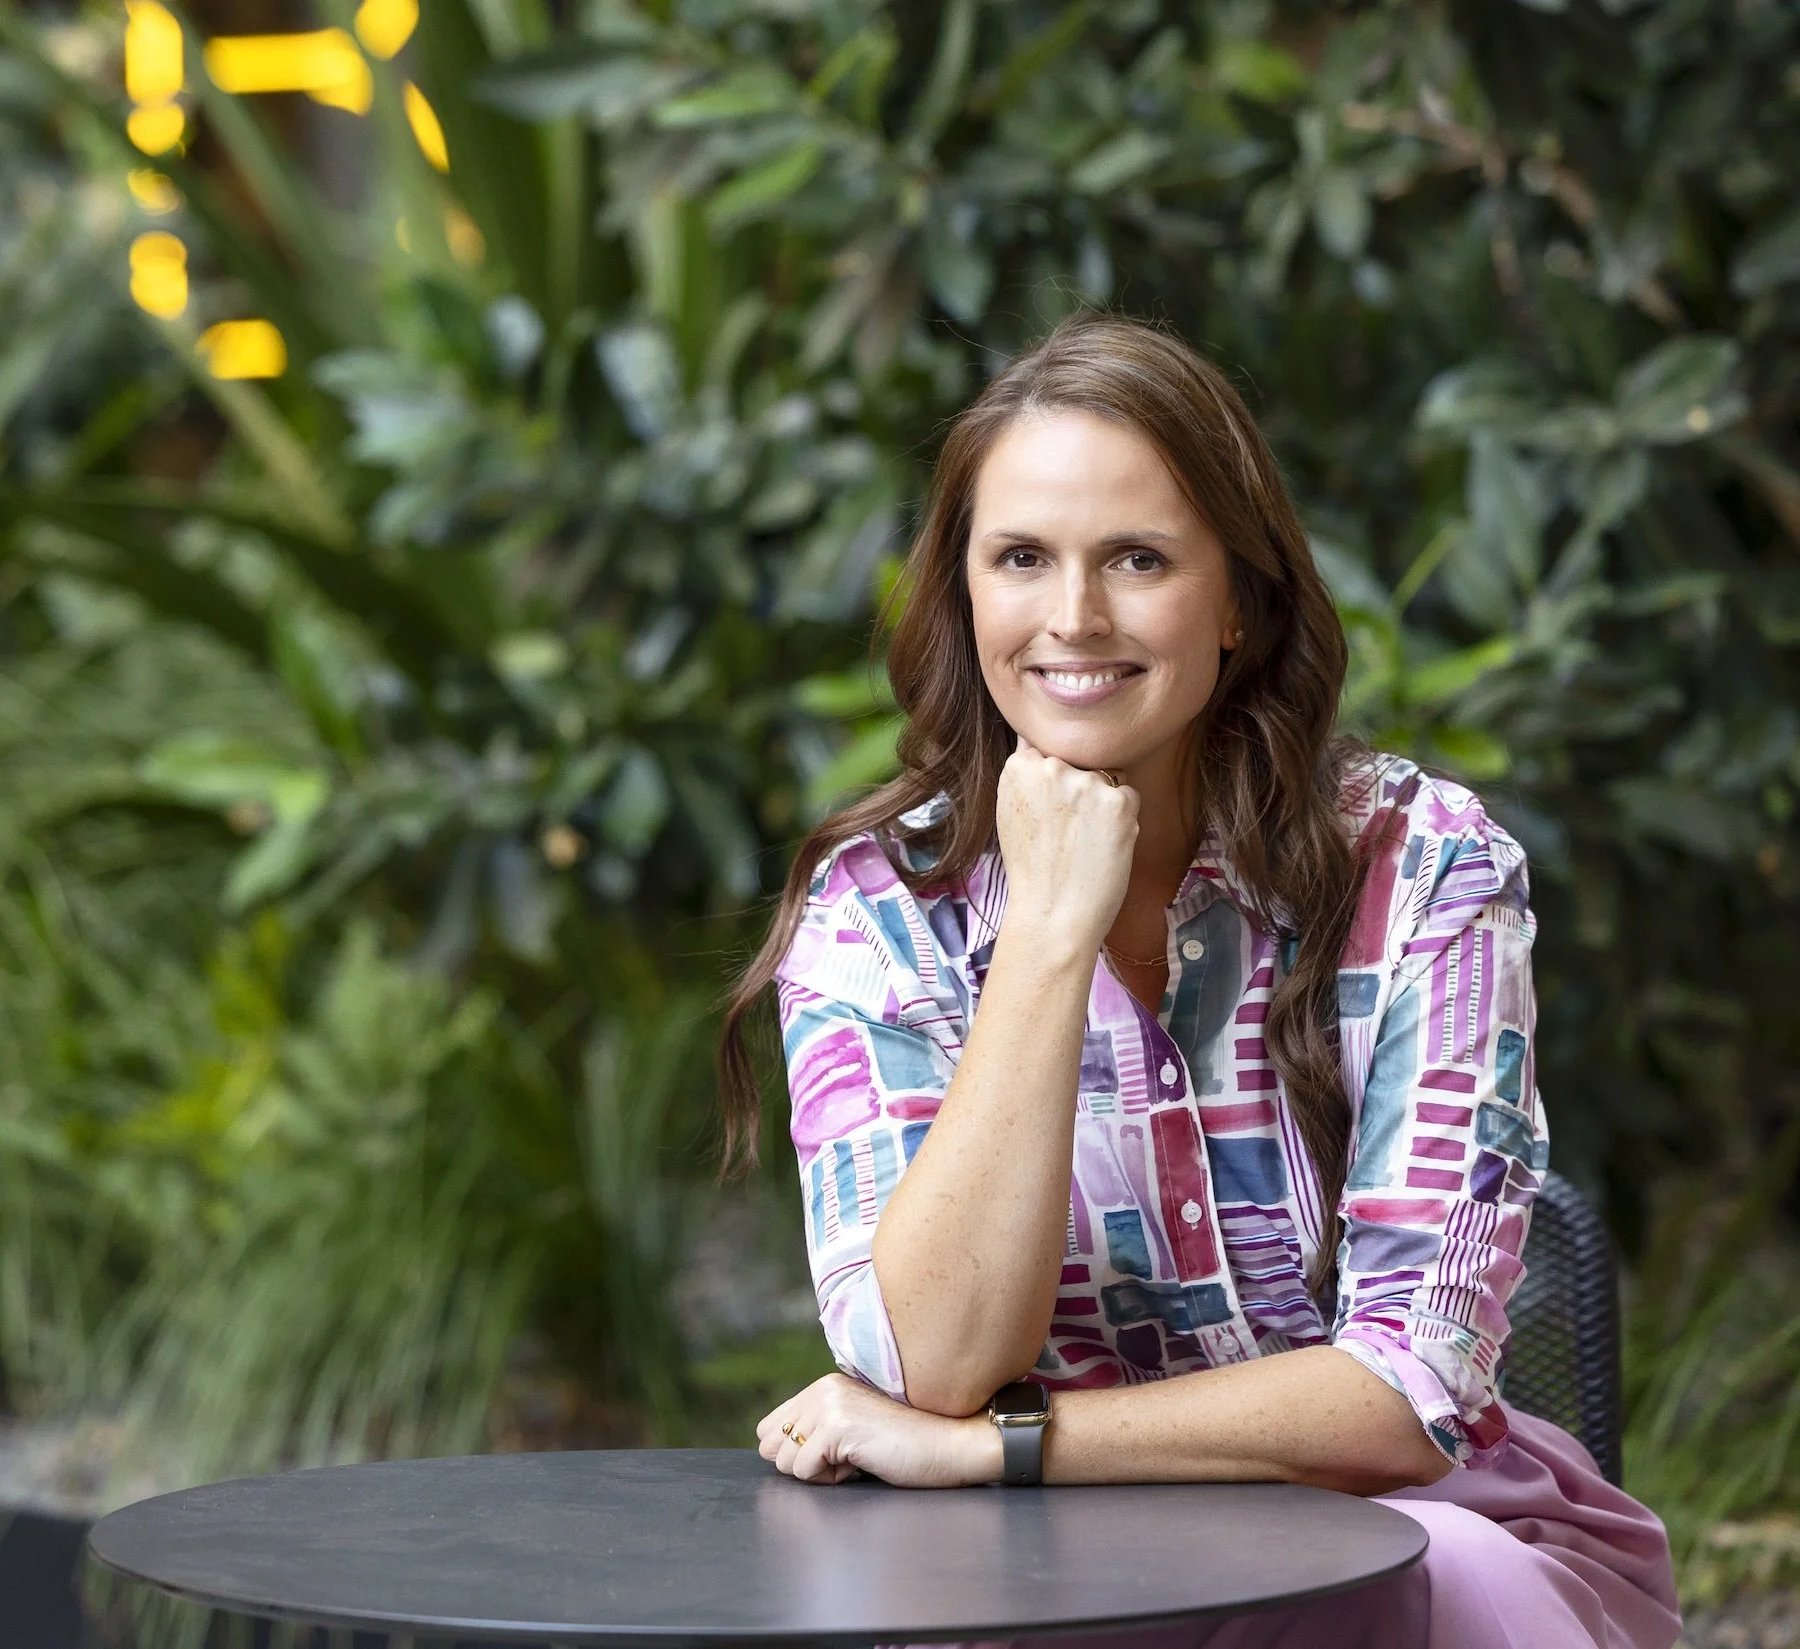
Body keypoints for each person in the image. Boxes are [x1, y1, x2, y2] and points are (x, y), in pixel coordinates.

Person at [716, 314, 1680, 1649]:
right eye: (1022, 560)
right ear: (964, 595)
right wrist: (1050, 937)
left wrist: (1011, 1445)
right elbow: (930, 1363)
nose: (1074, 618)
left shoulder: (1423, 873)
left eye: (1139, 559)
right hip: (1044, 1585)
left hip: (1409, 1548)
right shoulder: (877, 920)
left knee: (1460, 1579)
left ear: (1238, 598)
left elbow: (1410, 1398)